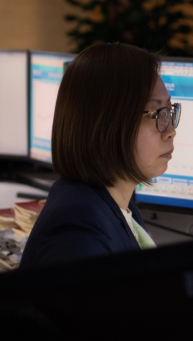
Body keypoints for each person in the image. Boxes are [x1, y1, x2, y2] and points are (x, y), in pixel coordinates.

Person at [20, 43, 178, 269]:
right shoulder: (77, 231)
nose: (171, 130)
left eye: (170, 111)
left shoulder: (117, 203)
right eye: (157, 114)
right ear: (108, 124)